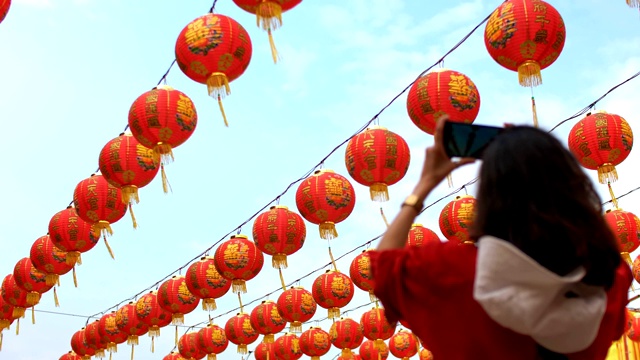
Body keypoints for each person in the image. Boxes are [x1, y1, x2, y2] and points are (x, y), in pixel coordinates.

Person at [369, 116, 632, 360]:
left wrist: (424, 185)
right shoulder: (610, 279)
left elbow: (383, 266)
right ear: (572, 184)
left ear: (489, 195)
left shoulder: (448, 271)